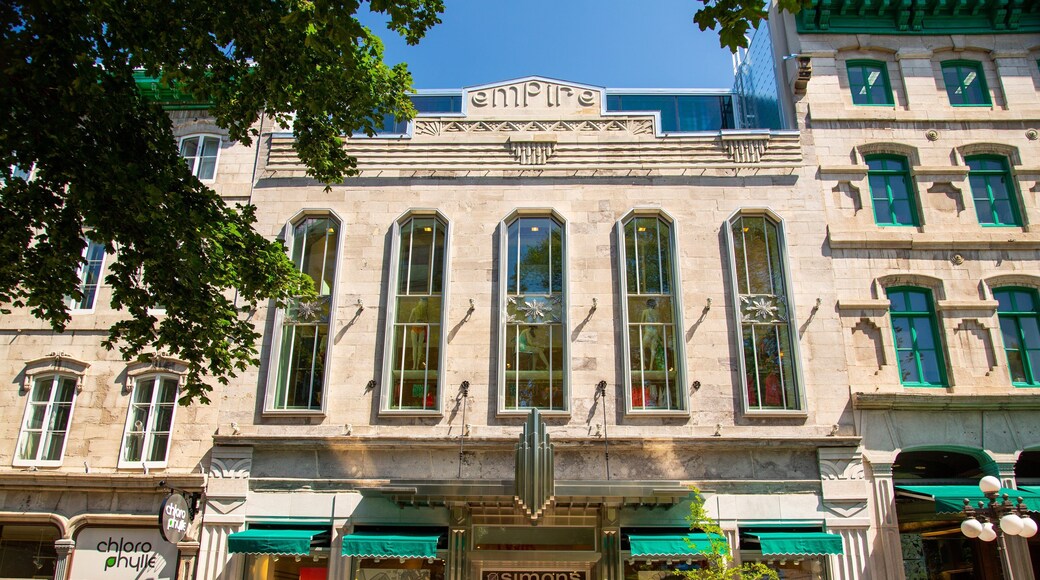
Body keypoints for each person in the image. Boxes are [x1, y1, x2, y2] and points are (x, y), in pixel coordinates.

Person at [408, 298, 429, 370]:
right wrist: (417, 321)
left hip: (421, 329)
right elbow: (409, 320)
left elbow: (427, 321)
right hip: (415, 328)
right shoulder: (414, 310)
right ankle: (414, 365)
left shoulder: (425, 312)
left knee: (419, 347)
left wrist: (421, 321)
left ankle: (417, 365)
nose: (424, 304)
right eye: (423, 302)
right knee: (415, 347)